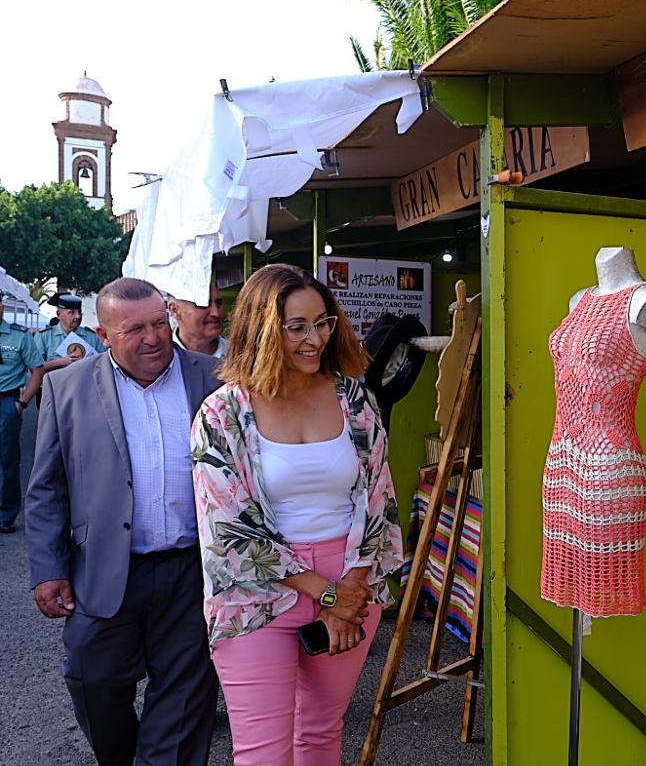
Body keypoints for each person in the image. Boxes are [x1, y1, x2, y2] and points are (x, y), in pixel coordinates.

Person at [192, 264, 403, 766]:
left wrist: (350, 589)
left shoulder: (354, 399)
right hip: (255, 593)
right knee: (263, 754)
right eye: (297, 327)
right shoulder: (222, 414)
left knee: (321, 736)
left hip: (351, 580)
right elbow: (229, 528)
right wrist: (328, 594)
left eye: (323, 322)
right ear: (263, 328)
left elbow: (379, 497)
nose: (316, 339)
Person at [25, 277, 220, 766]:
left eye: (159, 323)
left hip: (192, 569)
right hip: (105, 566)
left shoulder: (214, 377)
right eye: (134, 330)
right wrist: (49, 569)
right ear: (103, 334)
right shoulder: (66, 386)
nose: (153, 338)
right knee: (92, 679)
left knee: (185, 694)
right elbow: (47, 487)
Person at [0, 302, 46, 533]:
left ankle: (5, 515)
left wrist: (22, 402)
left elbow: (37, 369)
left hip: (6, 402)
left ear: (1, 308)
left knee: (6, 460)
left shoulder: (20, 337)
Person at [35, 292, 106, 366]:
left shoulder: (93, 337)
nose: (78, 316)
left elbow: (104, 364)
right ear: (59, 314)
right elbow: (35, 368)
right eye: (72, 312)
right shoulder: (44, 337)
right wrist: (58, 362)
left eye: (79, 312)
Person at [169, 281, 229, 359]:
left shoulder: (239, 354)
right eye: (204, 304)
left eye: (219, 303)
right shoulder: (162, 359)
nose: (216, 313)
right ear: (175, 310)